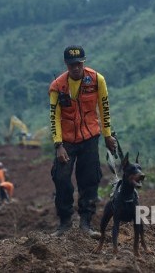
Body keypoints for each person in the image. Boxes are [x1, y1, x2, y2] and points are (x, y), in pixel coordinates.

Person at [48, 45, 117, 238]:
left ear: (83, 63)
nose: (76, 68)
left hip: (90, 137)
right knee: (61, 179)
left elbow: (104, 108)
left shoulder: (96, 80)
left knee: (90, 180)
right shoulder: (57, 86)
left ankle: (86, 223)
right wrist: (58, 145)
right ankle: (64, 223)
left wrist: (108, 135)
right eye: (72, 65)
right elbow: (54, 117)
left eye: (79, 64)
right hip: (67, 141)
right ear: (66, 65)